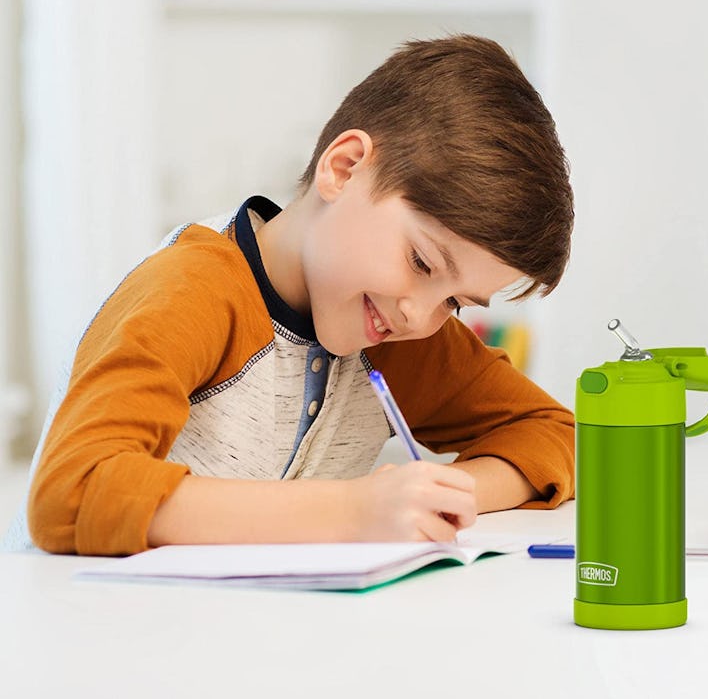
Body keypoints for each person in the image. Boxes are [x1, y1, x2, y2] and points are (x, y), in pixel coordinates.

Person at [5, 34, 575, 557]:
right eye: (422, 262)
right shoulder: (191, 292)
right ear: (345, 169)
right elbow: (70, 490)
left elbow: (559, 433)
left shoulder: (395, 329)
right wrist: (353, 511)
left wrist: (439, 494)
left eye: (456, 302)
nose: (421, 314)